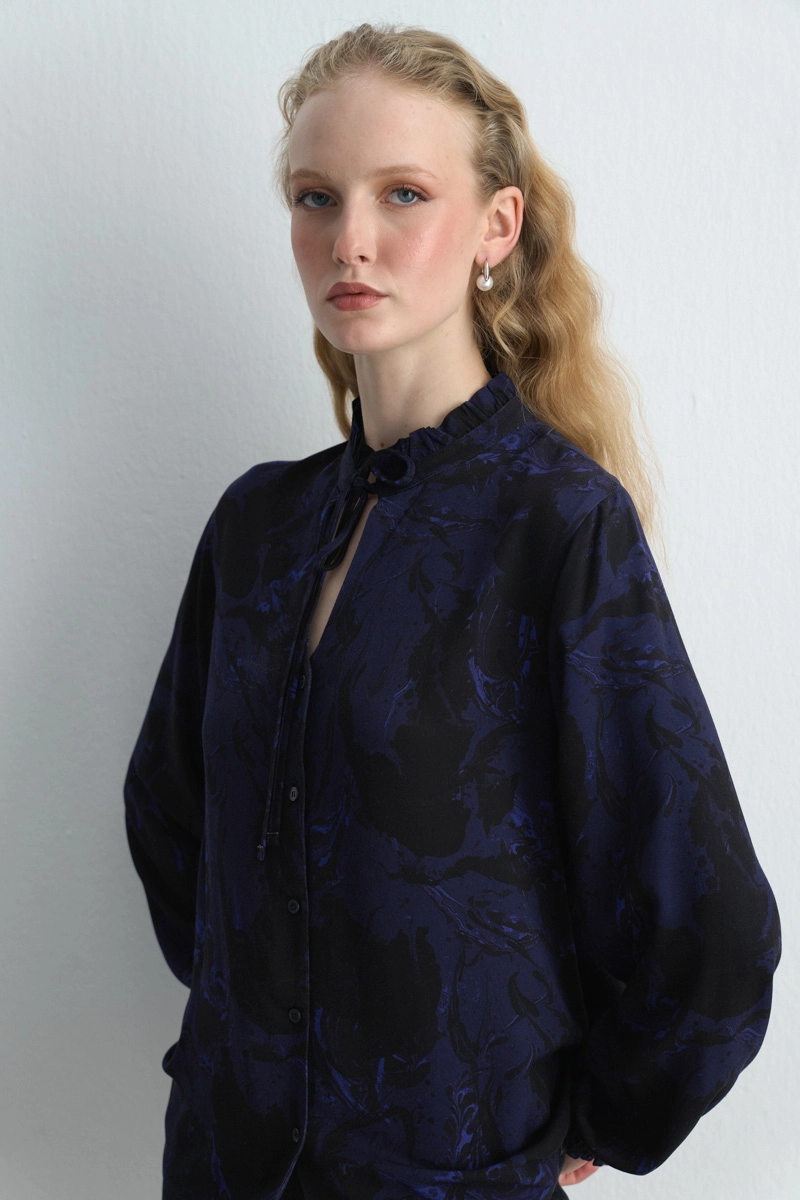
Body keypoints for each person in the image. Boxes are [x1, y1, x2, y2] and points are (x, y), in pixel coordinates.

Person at [123, 22, 781, 1200]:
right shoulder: (256, 527)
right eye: (315, 197)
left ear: (495, 226)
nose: (350, 240)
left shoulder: (555, 527)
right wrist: (260, 1029)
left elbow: (707, 925)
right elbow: (173, 821)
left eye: (403, 194)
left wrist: (587, 1115)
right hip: (226, 1163)